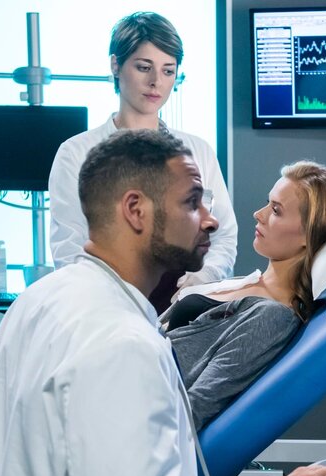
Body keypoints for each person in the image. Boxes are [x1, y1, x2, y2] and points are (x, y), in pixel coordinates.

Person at [0, 130, 326, 476]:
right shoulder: (125, 345)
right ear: (136, 210)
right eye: (193, 202)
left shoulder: (41, 298)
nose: (211, 220)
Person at [48, 12, 237, 311]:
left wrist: (199, 282)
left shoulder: (197, 151)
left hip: (181, 306)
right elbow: (69, 250)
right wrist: (117, 303)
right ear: (115, 65)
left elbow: (223, 234)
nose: (155, 83)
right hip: (106, 306)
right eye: (143, 67)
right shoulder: (76, 153)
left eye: (168, 71)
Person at [165, 160, 326, 429]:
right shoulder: (248, 283)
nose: (258, 214)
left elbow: (193, 409)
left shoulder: (271, 316)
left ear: (309, 233)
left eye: (275, 210)